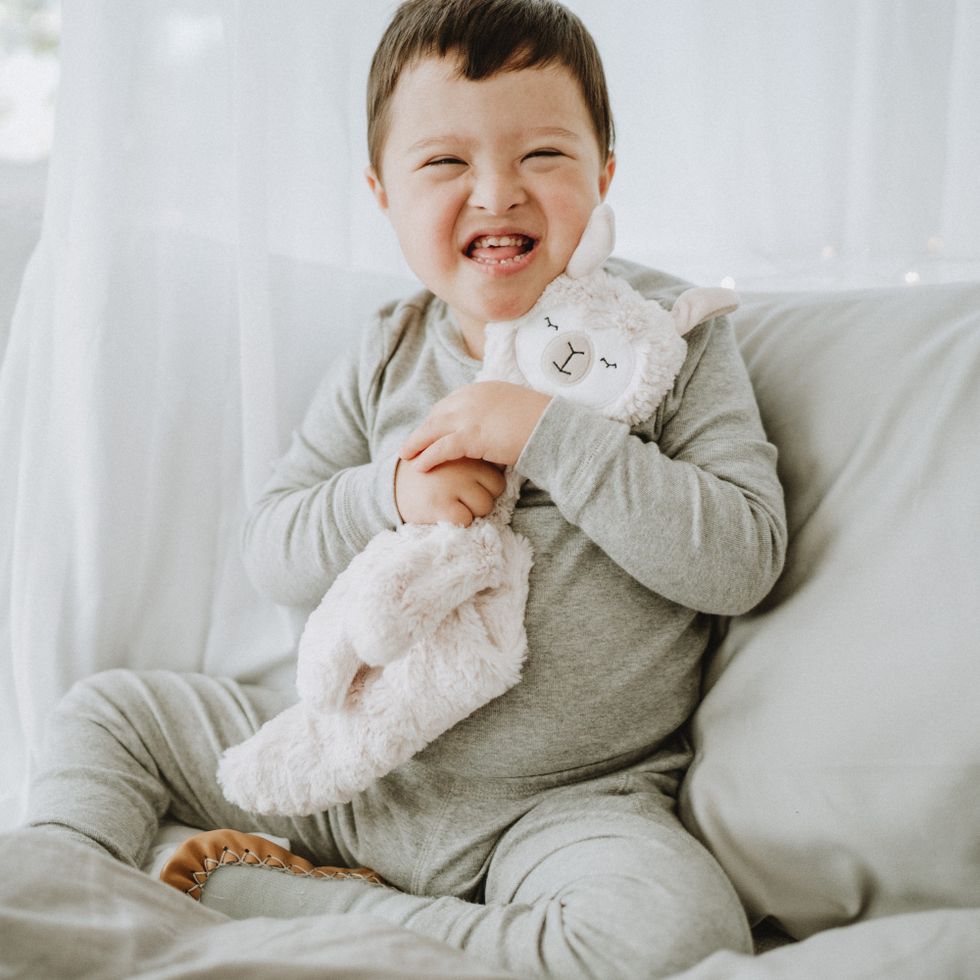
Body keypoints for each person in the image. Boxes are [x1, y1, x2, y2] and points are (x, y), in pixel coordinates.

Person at [26, 1, 786, 977]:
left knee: (677, 932)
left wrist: (548, 433)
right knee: (108, 711)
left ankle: (242, 890)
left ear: (602, 176)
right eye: (444, 163)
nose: (495, 192)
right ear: (381, 193)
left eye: (542, 156)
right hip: (347, 768)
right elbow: (273, 545)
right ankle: (57, 882)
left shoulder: (666, 337)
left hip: (561, 803)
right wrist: (386, 492)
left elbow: (740, 556)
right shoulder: (386, 349)